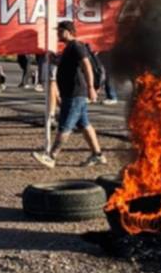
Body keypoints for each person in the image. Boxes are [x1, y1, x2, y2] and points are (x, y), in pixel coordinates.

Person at [33, 20, 107, 168]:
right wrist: (54, 58)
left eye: (60, 31)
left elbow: (86, 66)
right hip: (71, 93)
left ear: (69, 31)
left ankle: (51, 156)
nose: (58, 34)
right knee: (84, 124)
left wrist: (91, 87)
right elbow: (66, 64)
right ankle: (97, 155)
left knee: (65, 125)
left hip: (75, 93)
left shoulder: (76, 46)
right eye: (58, 31)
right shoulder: (68, 48)